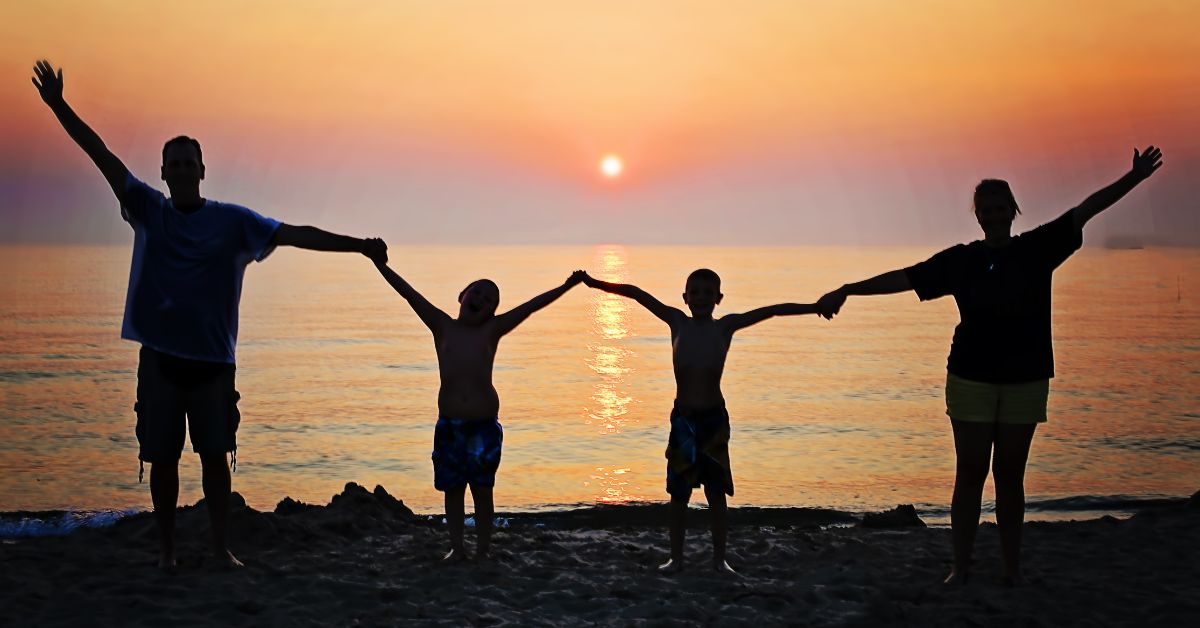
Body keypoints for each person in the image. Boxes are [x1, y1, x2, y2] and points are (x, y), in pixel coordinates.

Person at [31, 60, 388, 571]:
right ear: (162, 173)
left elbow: (294, 233)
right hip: (160, 360)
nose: (179, 170)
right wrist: (59, 105)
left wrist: (360, 247)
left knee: (216, 459)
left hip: (213, 363)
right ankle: (168, 553)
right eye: (171, 163)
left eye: (187, 162)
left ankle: (220, 548)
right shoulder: (148, 210)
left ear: (202, 170)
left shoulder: (233, 222)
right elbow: (100, 155)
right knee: (162, 460)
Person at [816, 147, 1164, 585]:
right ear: (978, 216)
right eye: (987, 210)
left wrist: (1134, 178)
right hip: (971, 377)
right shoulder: (961, 260)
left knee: (1010, 477)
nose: (995, 216)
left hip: (1025, 377)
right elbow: (906, 278)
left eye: (1002, 208)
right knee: (971, 472)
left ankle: (1011, 570)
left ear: (1013, 211)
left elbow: (1086, 210)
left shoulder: (1038, 248)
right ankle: (960, 568)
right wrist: (847, 289)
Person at [581, 268, 828, 573]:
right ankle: (676, 557)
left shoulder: (725, 327)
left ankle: (719, 559)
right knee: (679, 495)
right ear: (684, 298)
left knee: (716, 493)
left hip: (713, 419)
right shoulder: (676, 321)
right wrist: (594, 283)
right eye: (694, 292)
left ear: (719, 298)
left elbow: (773, 311)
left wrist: (814, 307)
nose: (700, 298)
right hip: (684, 420)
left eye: (707, 293)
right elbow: (636, 293)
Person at [366, 252, 584, 561]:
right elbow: (408, 293)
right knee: (453, 492)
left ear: (493, 312)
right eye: (477, 291)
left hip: (483, 427)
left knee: (482, 492)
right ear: (462, 295)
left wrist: (567, 286)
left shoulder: (491, 331)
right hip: (450, 426)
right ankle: (457, 548)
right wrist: (379, 263)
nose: (481, 298)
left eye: (490, 299)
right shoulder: (441, 325)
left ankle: (483, 550)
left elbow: (532, 306)